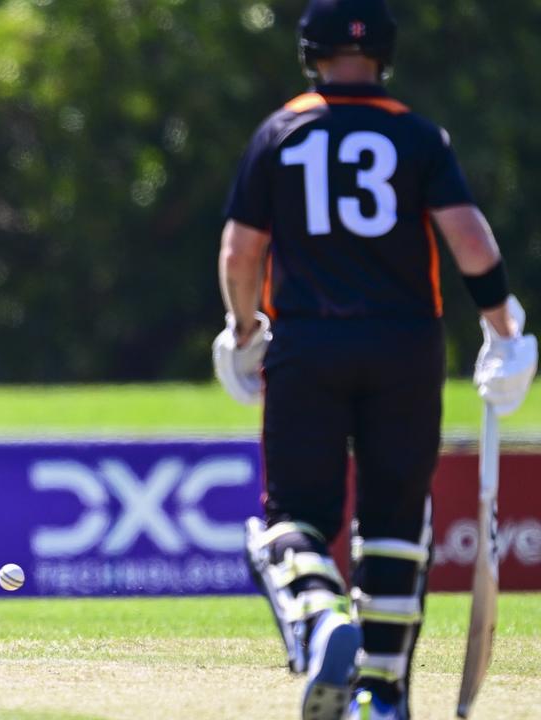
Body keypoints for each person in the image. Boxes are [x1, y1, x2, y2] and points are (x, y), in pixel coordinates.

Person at [211, 1, 537, 718]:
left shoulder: (280, 132)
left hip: (308, 345)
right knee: (396, 522)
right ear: (384, 53)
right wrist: (502, 328)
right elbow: (472, 244)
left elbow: (240, 252)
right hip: (406, 348)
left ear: (309, 51)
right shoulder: (417, 135)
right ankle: (382, 695)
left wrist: (242, 329)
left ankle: (323, 618)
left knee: (291, 519)